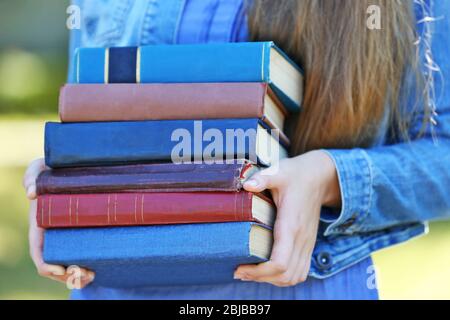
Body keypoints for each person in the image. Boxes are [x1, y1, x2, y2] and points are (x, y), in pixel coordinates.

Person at [23, 0, 450, 300]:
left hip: (301, 287)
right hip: (117, 283)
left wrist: (332, 177)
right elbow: (93, 114)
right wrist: (65, 178)